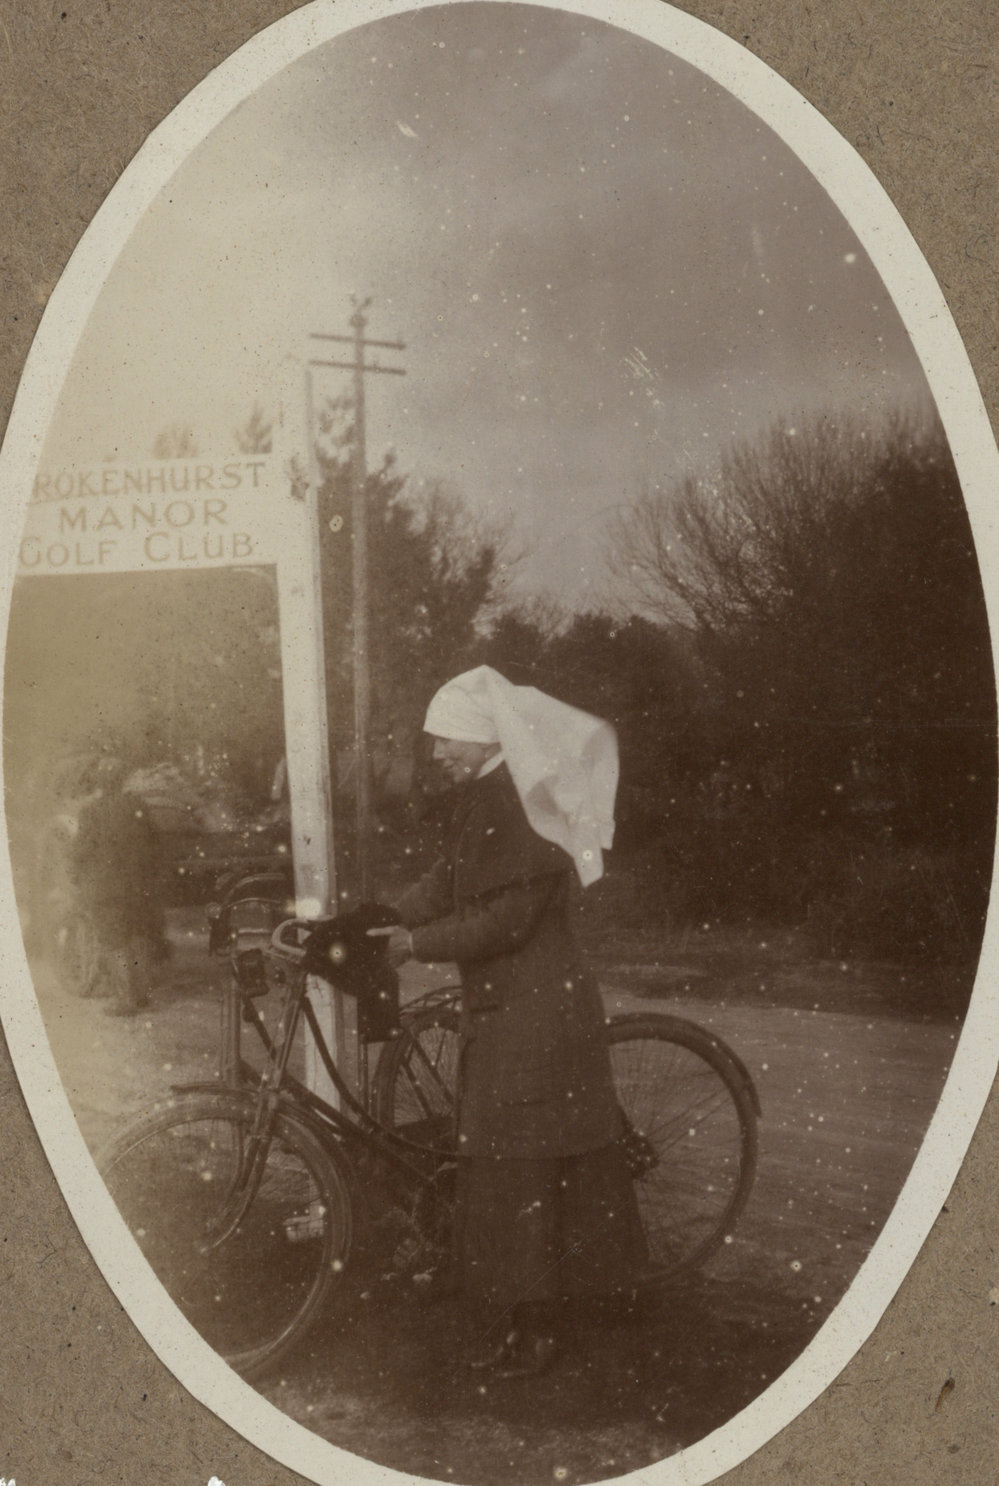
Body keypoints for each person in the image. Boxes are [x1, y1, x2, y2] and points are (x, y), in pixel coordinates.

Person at [379, 665, 645, 1378]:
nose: (436, 755)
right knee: (521, 1168)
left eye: (445, 742)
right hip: (518, 1005)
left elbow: (507, 918)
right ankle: (548, 1313)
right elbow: (452, 879)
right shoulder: (486, 797)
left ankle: (539, 1333)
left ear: (479, 737)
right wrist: (387, 916)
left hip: (534, 1013)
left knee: (522, 1174)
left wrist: (415, 944)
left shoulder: (518, 801)